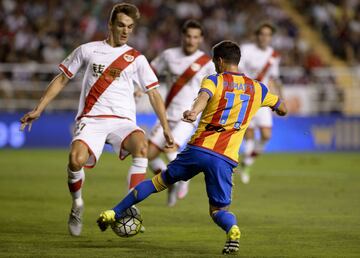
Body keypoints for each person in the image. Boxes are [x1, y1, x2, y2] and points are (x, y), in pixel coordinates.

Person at [97, 40, 287, 254]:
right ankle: (232, 230)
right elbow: (282, 107)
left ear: (220, 61)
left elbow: (203, 97)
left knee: (159, 182)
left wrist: (194, 112)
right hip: (224, 158)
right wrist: (278, 108)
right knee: (218, 210)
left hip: (198, 150)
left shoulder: (214, 80)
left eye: (216, 62)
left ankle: (114, 212)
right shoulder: (258, 88)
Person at [19, 3, 173, 237]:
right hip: (92, 119)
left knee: (142, 146)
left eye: (130, 27)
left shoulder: (137, 59)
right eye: (121, 25)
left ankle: (129, 207)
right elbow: (62, 79)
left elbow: (153, 93)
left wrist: (165, 126)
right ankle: (77, 204)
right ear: (110, 24)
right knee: (75, 160)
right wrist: (39, 108)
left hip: (123, 121)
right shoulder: (87, 50)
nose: (125, 31)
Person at [148, 19, 215, 206]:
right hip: (167, 114)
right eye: (188, 36)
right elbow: (150, 71)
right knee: (147, 155)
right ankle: (172, 182)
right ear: (182, 36)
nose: (191, 40)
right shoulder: (169, 55)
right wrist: (140, 88)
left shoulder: (207, 64)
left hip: (188, 117)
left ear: (200, 39)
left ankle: (183, 179)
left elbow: (215, 89)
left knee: (171, 147)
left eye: (195, 37)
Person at [236, 22, 282, 184]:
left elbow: (274, 78)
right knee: (249, 135)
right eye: (262, 34)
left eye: (268, 34)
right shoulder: (246, 50)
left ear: (271, 37)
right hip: (247, 98)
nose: (264, 37)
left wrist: (279, 100)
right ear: (257, 35)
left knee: (266, 135)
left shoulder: (273, 55)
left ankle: (247, 162)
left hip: (263, 99)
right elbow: (237, 70)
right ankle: (246, 166)